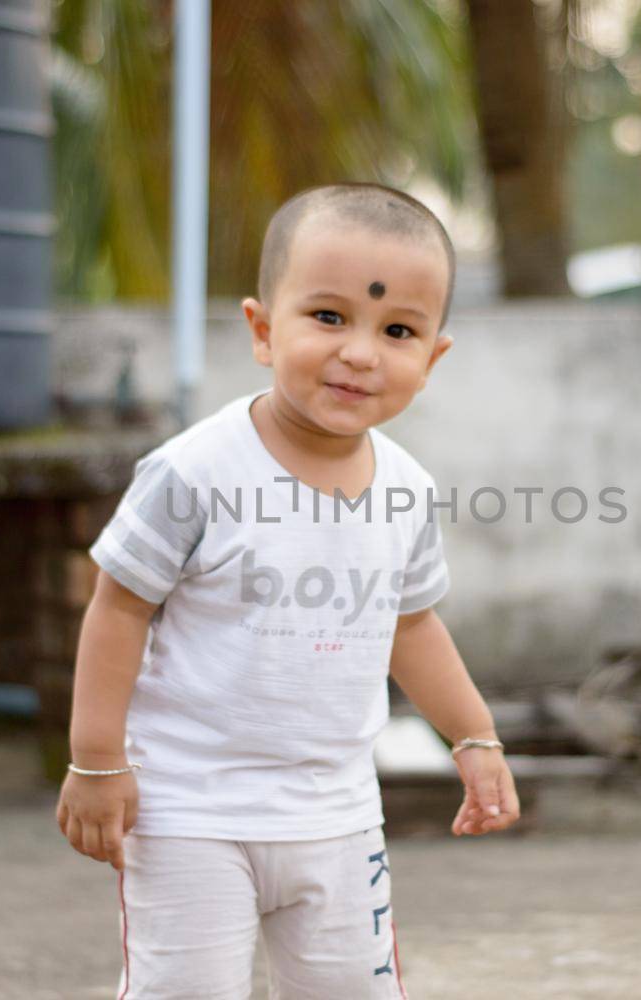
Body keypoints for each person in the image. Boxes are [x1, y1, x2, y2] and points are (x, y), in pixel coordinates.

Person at [54, 182, 520, 1000]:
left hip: (336, 818)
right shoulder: (194, 472)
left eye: (398, 330)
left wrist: (475, 738)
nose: (362, 352)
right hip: (189, 812)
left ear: (432, 358)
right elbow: (119, 606)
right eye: (329, 317)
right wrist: (97, 761)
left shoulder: (405, 489)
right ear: (263, 330)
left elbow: (412, 626)